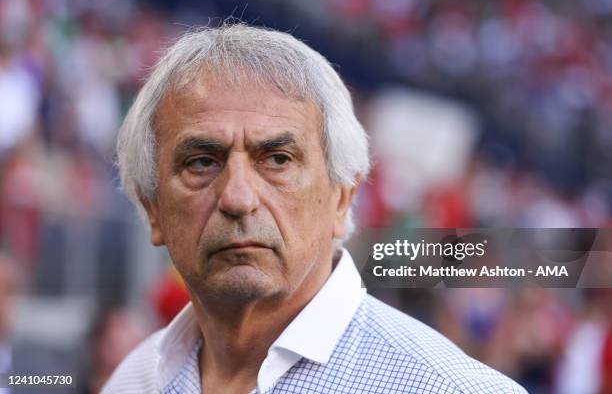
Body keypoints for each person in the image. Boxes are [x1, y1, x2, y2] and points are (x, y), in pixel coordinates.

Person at [103, 24, 526, 393]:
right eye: (201, 162)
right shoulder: (133, 380)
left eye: (278, 160)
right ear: (152, 207)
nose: (237, 197)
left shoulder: (451, 389)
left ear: (342, 197)